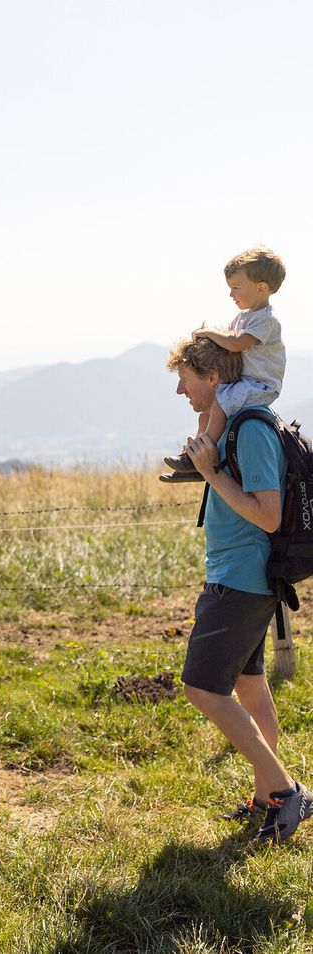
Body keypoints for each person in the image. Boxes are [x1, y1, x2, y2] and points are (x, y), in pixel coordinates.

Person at [167, 335, 311, 844]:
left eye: (185, 379)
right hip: (241, 577)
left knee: (203, 689)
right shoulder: (232, 427)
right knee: (250, 686)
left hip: (241, 582)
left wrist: (209, 470)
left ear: (213, 378)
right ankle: (265, 799)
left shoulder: (251, 429)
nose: (181, 390)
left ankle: (287, 791)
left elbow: (269, 516)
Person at [161, 246, 286, 483]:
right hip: (248, 380)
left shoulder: (266, 321)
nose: (231, 294)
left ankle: (201, 459)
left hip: (260, 384)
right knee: (206, 415)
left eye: (236, 288)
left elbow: (237, 344)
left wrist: (208, 332)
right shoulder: (245, 317)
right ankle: (195, 459)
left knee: (218, 405)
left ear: (261, 288)